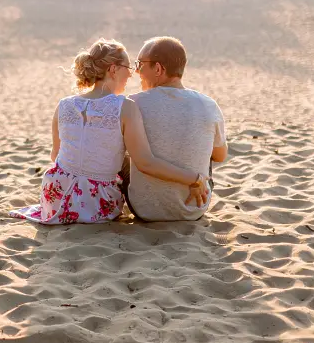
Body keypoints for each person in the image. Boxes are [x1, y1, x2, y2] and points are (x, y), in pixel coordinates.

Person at [12, 39, 209, 225]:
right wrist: (195, 178)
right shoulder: (125, 107)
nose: (132, 74)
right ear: (113, 69)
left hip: (55, 195)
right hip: (96, 202)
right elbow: (145, 162)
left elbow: (56, 155)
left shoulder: (63, 105)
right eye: (128, 67)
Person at [122, 36, 227, 221]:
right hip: (194, 208)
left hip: (144, 209)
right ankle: (196, 183)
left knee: (123, 154)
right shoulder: (209, 105)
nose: (136, 71)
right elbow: (220, 156)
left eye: (140, 64)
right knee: (206, 149)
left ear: (158, 68)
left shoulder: (132, 104)